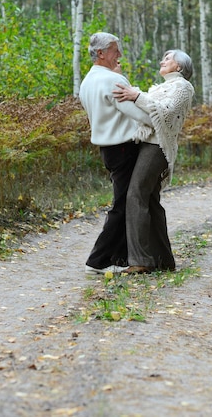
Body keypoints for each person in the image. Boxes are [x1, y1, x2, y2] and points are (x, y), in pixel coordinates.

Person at [113, 49, 194, 274]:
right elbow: (144, 110)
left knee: (135, 194)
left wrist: (136, 95)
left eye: (168, 59)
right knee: (149, 200)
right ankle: (163, 259)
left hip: (157, 147)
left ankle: (140, 260)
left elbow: (165, 113)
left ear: (179, 67)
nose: (162, 61)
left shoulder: (183, 87)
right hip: (147, 143)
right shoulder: (161, 88)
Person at [79, 32, 153, 276]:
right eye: (114, 49)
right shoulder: (112, 80)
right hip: (123, 147)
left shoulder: (87, 81)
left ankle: (121, 258)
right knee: (123, 205)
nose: (119, 54)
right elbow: (138, 114)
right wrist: (161, 117)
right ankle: (98, 260)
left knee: (125, 202)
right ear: (101, 53)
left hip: (108, 149)